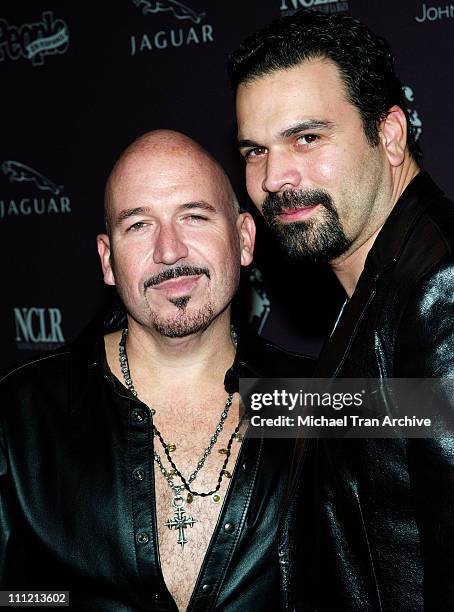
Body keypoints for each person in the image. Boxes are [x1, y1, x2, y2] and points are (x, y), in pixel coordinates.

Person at [229, 11, 454, 611]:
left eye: (307, 137)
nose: (275, 177)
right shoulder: (378, 290)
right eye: (254, 150)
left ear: (391, 134)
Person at [0, 130, 312, 611]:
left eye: (194, 216)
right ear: (107, 260)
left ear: (245, 238)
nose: (170, 251)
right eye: (139, 225)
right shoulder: (18, 412)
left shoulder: (325, 398)